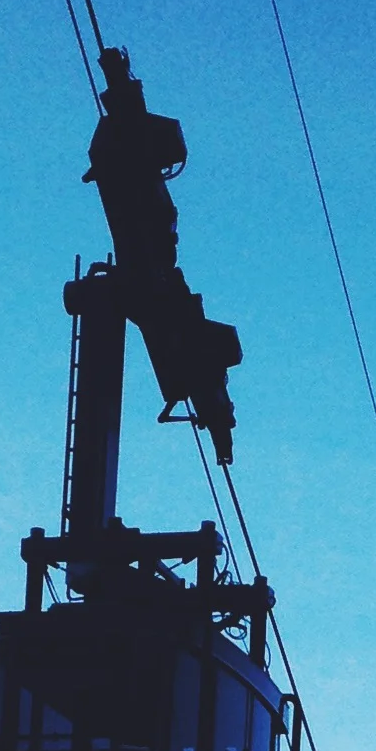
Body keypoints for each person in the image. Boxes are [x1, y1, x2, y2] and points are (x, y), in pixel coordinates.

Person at [82, 47, 242, 464]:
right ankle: (117, 75)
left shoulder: (150, 224)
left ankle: (118, 76)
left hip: (155, 280)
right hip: (155, 279)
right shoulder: (149, 218)